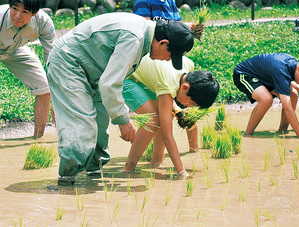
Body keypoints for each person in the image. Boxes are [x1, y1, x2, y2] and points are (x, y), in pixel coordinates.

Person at [46, 12, 195, 186]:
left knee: (100, 124)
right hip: (68, 63)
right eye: (170, 56)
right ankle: (66, 181)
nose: (167, 60)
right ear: (163, 43)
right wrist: (123, 120)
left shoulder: (145, 34)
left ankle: (94, 174)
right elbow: (110, 84)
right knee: (83, 125)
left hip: (91, 70)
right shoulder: (134, 39)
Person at [122, 54, 219, 177]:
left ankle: (156, 162)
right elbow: (167, 136)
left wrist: (176, 109)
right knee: (153, 120)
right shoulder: (168, 86)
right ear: (185, 87)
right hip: (125, 77)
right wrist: (181, 171)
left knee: (166, 116)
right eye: (191, 103)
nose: (188, 106)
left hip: (142, 76)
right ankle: (129, 168)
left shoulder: (187, 65)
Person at [133, 0, 203, 160]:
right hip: (155, 58)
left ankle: (194, 151)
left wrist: (189, 29)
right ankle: (157, 160)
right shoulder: (144, 1)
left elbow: (175, 26)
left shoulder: (169, 1)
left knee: (189, 103)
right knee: (164, 113)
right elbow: (144, 28)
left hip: (172, 57)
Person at [233, 53, 299, 138]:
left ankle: (282, 131)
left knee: (293, 95)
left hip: (266, 78)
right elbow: (287, 108)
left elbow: (283, 78)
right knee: (266, 99)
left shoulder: (293, 65)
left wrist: (298, 87)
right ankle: (248, 134)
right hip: (245, 75)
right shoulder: (281, 69)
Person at [0, 0, 56, 138]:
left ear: (34, 13)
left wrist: (57, 95)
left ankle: (37, 139)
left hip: (15, 50)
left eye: (24, 11)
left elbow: (52, 58)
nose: (18, 15)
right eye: (14, 8)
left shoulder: (43, 22)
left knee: (45, 88)